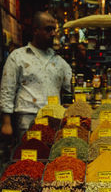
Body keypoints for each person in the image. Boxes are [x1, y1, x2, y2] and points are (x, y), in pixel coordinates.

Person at [0, 11, 72, 140]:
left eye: (54, 30)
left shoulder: (60, 62)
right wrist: (6, 123)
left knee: (49, 157)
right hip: (26, 118)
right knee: (28, 155)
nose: (53, 34)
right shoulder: (18, 56)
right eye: (48, 29)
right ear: (35, 30)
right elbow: (7, 89)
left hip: (54, 120)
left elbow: (69, 90)